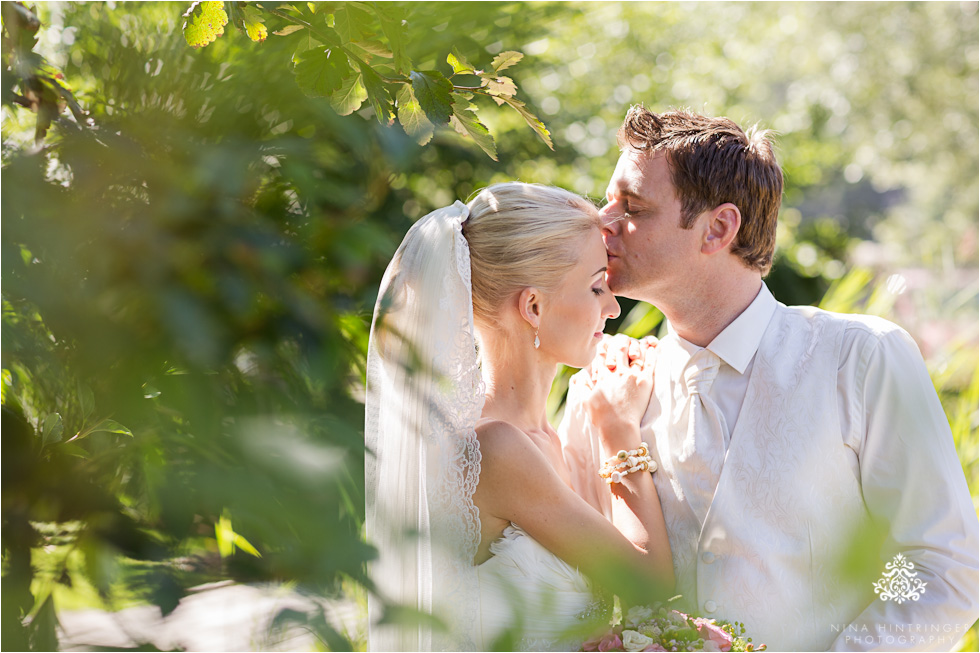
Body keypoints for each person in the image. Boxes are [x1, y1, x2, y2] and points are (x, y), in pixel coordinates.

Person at [561, 106, 980, 651]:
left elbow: (938, 566)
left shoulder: (862, 358)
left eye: (634, 207)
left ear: (718, 228)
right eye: (608, 199)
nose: (603, 221)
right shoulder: (604, 388)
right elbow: (575, 578)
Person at [364, 182, 674, 652]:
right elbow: (651, 587)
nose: (612, 308)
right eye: (595, 287)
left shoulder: (548, 437)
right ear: (533, 306)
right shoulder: (495, 450)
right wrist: (617, 430)